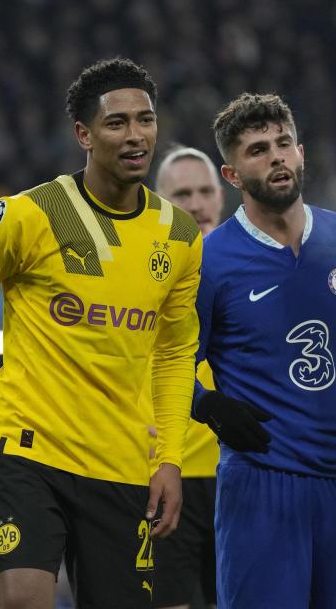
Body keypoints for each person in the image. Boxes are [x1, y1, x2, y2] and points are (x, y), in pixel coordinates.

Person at [0, 57, 202, 609]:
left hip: (123, 463)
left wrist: (169, 458)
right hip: (27, 448)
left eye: (145, 120)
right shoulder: (27, 216)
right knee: (24, 601)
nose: (136, 135)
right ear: (84, 134)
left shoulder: (180, 236)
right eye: (116, 123)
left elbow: (173, 354)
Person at [191, 92, 336, 608]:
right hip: (258, 484)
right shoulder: (209, 261)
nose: (276, 156)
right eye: (258, 150)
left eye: (284, 143)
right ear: (232, 175)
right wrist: (206, 404)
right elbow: (163, 361)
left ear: (301, 152)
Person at [151, 146, 225, 609]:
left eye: (204, 192)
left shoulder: (252, 268)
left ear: (222, 197)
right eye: (181, 194)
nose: (195, 204)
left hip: (237, 476)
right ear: (158, 201)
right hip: (161, 475)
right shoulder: (143, 274)